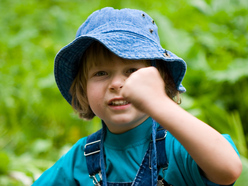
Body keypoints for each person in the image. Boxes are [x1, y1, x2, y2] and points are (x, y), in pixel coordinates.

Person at [33, 7, 242, 186]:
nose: (116, 84)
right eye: (101, 73)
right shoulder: (81, 158)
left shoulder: (178, 144)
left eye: (131, 71)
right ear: (83, 90)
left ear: (160, 81)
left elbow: (229, 169)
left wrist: (159, 102)